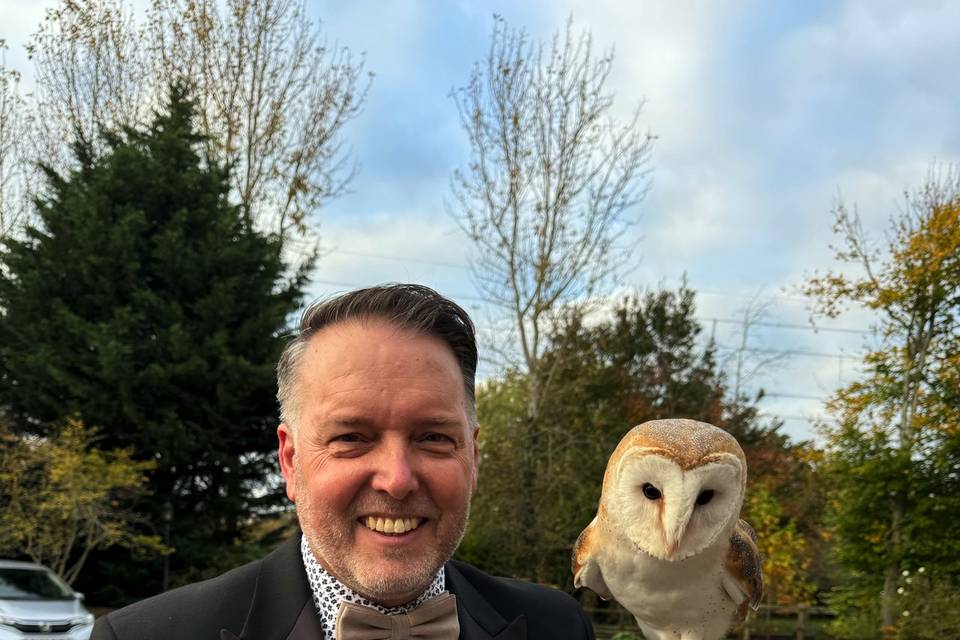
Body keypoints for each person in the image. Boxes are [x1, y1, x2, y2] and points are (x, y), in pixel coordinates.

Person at [92, 284, 595, 640]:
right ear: (290, 461)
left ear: (474, 458)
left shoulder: (558, 626)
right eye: (352, 437)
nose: (397, 479)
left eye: (434, 437)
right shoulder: (145, 634)